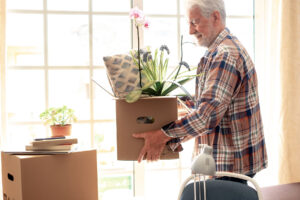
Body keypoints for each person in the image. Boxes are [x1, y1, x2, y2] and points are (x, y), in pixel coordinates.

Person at [133, 0, 268, 183]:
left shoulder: (224, 55)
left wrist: (163, 135)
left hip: (230, 166)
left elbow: (207, 116)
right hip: (230, 163)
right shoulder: (219, 51)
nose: (190, 31)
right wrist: (168, 104)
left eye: (194, 22)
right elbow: (207, 102)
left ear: (215, 17)